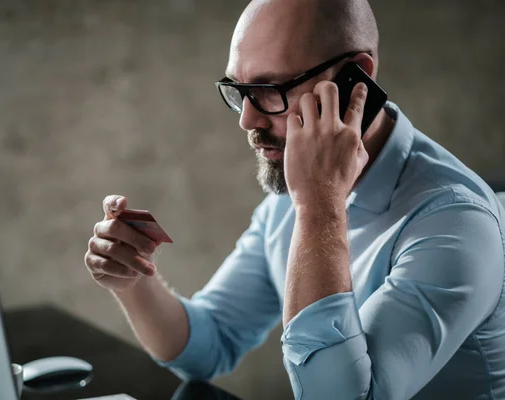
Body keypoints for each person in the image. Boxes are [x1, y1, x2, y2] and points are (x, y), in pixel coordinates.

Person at [84, 0, 505, 398]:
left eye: (269, 89)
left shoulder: (455, 221)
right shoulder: (291, 199)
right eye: (236, 89)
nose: (248, 119)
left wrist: (320, 207)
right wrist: (133, 279)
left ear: (356, 77)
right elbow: (208, 346)